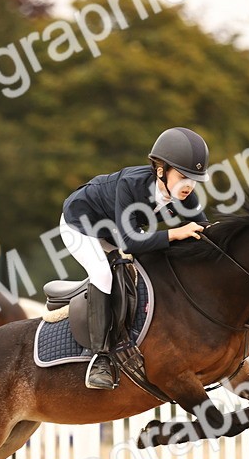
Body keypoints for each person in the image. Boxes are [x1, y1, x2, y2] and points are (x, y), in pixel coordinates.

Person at [61, 127, 211, 389]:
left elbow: (205, 231)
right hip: (81, 225)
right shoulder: (130, 185)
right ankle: (100, 358)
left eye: (195, 179)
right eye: (184, 176)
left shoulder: (185, 194)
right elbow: (130, 242)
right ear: (161, 170)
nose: (189, 185)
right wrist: (175, 233)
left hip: (115, 229)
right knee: (103, 274)